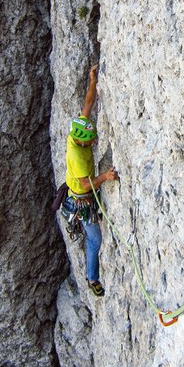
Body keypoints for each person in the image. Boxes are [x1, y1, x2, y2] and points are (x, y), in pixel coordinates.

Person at [64, 64, 119, 297]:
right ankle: (92, 278)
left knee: (95, 233)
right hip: (81, 199)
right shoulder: (76, 157)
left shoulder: (78, 129)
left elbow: (88, 104)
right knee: (95, 238)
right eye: (91, 141)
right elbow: (86, 185)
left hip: (84, 193)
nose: (94, 142)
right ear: (82, 142)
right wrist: (106, 177)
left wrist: (93, 80)